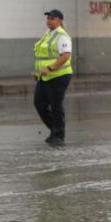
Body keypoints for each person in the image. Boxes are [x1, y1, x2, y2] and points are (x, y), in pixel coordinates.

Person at [33, 9, 73, 145]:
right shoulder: (48, 34)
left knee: (56, 105)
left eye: (52, 18)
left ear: (60, 21)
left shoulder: (62, 36)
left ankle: (59, 135)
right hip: (44, 76)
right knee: (39, 103)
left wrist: (50, 68)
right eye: (48, 18)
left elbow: (66, 55)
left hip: (59, 75)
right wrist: (39, 71)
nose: (49, 20)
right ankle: (55, 129)